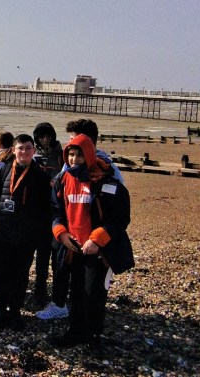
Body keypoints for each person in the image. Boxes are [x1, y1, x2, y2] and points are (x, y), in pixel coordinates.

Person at [49, 134, 134, 350]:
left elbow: (120, 218)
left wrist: (97, 240)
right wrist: (62, 234)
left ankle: (94, 336)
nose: (74, 159)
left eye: (79, 155)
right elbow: (56, 212)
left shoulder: (107, 182)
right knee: (76, 292)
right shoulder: (62, 180)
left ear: (88, 155)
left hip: (99, 251)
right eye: (71, 154)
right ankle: (75, 331)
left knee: (94, 295)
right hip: (74, 248)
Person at [38, 119, 124, 321]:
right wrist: (60, 232)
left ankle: (90, 331)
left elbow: (118, 214)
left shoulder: (106, 173)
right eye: (70, 147)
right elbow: (58, 206)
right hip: (71, 239)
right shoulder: (67, 172)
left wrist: (98, 239)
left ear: (88, 143)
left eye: (75, 141)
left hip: (95, 245)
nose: (73, 154)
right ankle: (70, 319)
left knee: (93, 291)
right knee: (71, 282)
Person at [0, 134, 52, 330]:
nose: (24, 152)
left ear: (34, 151)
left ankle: (15, 311)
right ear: (14, 150)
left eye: (28, 148)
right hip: (2, 233)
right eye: (20, 148)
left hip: (25, 237)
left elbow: (46, 209)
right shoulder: (4, 170)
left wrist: (36, 230)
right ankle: (0, 309)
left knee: (20, 274)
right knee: (1, 272)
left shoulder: (41, 176)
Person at [29, 122, 63, 307]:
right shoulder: (33, 156)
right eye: (41, 137)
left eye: (48, 136)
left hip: (58, 212)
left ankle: (58, 293)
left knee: (57, 257)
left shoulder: (62, 156)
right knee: (41, 256)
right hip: (39, 212)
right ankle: (39, 292)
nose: (45, 140)